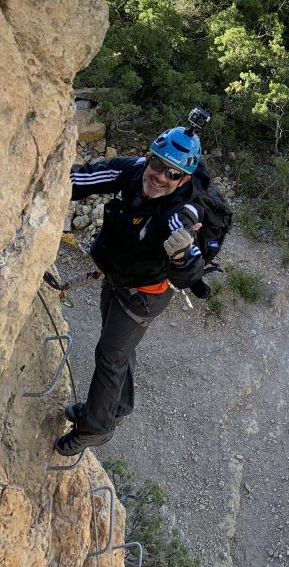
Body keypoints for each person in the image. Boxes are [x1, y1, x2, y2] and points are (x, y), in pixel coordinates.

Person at [54, 119, 212, 457]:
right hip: (118, 278)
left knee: (110, 357)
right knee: (119, 351)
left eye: (173, 174)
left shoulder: (180, 211)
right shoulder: (130, 172)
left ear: (184, 179)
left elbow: (190, 268)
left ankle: (95, 427)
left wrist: (184, 255)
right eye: (157, 164)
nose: (161, 177)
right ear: (147, 157)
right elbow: (81, 178)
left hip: (143, 296)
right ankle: (119, 406)